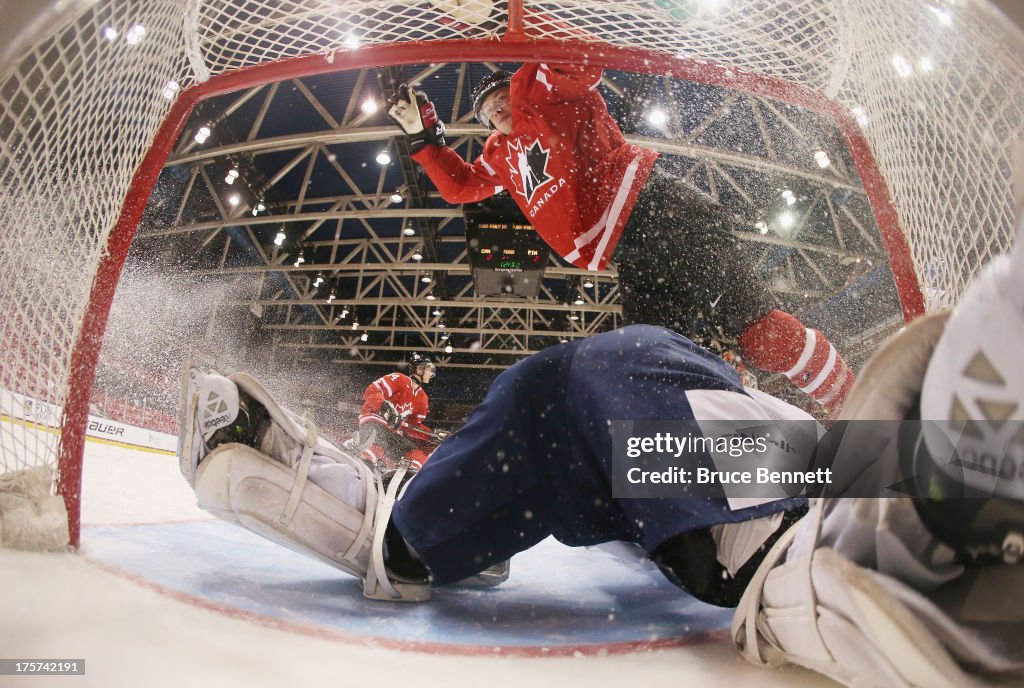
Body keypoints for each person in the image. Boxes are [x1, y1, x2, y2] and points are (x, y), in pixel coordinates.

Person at [179, 211, 1024, 684]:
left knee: (598, 371)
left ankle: (410, 524)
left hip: (825, 479)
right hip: (835, 468)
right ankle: (416, 523)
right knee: (601, 383)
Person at [386, 65, 855, 414]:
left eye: (502, 98)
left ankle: (857, 408)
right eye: (488, 113)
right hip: (633, 249)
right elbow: (460, 186)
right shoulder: (499, 154)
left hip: (662, 211)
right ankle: (690, 487)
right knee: (654, 367)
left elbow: (582, 62)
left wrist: (525, 31)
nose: (497, 111)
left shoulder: (545, 92)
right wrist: (425, 138)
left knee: (763, 336)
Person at [349, 352, 441, 470]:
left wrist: (432, 435)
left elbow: (411, 426)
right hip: (375, 420)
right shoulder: (400, 379)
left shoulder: (423, 398)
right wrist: (384, 407)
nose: (431, 373)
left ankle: (400, 480)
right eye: (428, 369)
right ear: (419, 369)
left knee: (418, 459)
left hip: (393, 432)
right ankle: (359, 447)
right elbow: (371, 391)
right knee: (375, 449)